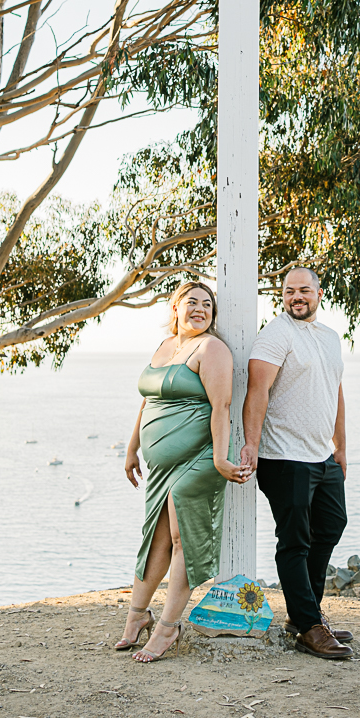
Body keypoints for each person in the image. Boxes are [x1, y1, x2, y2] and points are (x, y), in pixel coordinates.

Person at [117, 281, 251, 662]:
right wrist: (132, 449)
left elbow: (221, 406)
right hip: (160, 466)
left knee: (182, 539)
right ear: (175, 307)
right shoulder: (163, 348)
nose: (200, 309)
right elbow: (148, 402)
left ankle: (168, 627)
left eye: (207, 304)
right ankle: (137, 616)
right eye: (192, 301)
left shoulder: (212, 349)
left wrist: (221, 458)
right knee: (156, 538)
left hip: (200, 457)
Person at [241, 267, 353, 659]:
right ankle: (308, 625)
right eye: (290, 291)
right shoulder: (276, 333)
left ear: (319, 294)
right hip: (284, 457)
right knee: (295, 542)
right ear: (283, 296)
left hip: (322, 456)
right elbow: (257, 391)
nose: (296, 297)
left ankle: (305, 614)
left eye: (304, 290)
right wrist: (251, 445)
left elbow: (334, 392)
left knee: (331, 525)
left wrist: (340, 445)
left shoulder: (329, 338)